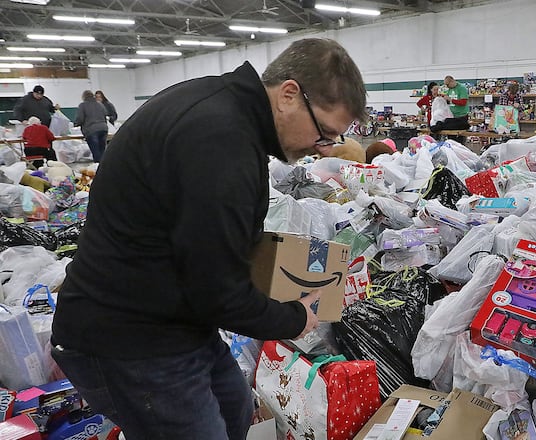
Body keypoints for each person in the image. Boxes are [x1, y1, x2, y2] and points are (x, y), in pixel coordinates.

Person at [50, 38, 367, 440]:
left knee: (235, 406)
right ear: (289, 94)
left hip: (173, 320)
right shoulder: (221, 141)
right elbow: (218, 292)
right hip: (129, 338)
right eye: (323, 132)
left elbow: (211, 249)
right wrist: (294, 318)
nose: (319, 147)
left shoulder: (225, 109)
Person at [75, 90, 109, 163]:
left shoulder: (82, 105)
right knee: (102, 151)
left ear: (84, 97)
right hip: (103, 129)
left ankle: (97, 169)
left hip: (91, 130)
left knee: (96, 152)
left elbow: (80, 118)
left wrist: (76, 124)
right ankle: (105, 167)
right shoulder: (100, 104)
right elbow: (105, 115)